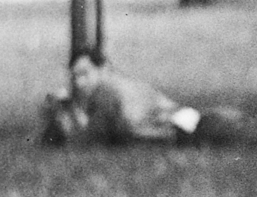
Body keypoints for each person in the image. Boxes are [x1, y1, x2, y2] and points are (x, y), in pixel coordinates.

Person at [39, 54, 243, 147]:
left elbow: (123, 128)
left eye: (84, 74)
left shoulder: (109, 92)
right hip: (188, 122)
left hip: (188, 127)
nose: (78, 82)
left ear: (103, 70)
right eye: (74, 76)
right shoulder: (104, 91)